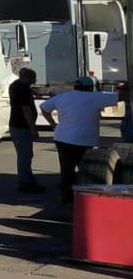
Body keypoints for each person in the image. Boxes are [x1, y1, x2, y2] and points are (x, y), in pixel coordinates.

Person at [39, 76, 118, 205]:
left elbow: (44, 107)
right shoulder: (96, 97)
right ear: (90, 87)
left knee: (66, 170)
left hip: (62, 138)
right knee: (85, 171)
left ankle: (65, 196)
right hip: (84, 141)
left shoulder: (63, 96)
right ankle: (84, 199)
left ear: (75, 86)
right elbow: (121, 97)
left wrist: (53, 124)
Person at [8, 68, 49, 193]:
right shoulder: (24, 88)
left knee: (24, 154)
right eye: (33, 79)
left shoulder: (14, 85)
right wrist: (33, 128)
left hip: (14, 125)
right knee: (25, 155)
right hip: (22, 126)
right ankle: (25, 182)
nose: (34, 81)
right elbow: (26, 109)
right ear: (28, 78)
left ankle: (28, 179)